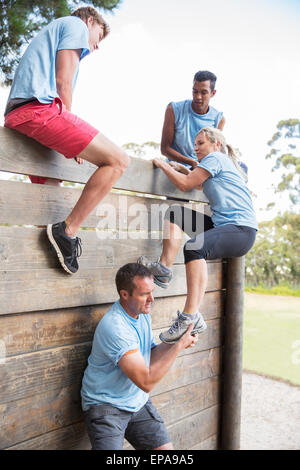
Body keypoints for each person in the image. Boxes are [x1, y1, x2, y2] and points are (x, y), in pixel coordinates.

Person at [4, 6, 130, 274]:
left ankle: (41, 260)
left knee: (51, 195)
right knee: (119, 160)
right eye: (98, 36)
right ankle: (68, 231)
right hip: (37, 110)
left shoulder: (53, 34)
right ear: (89, 20)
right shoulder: (76, 26)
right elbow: (64, 82)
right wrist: (68, 129)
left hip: (19, 113)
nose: (96, 46)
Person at [138, 127, 257, 343]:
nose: (195, 148)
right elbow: (199, 182)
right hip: (225, 225)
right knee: (175, 213)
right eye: (195, 144)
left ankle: (190, 316)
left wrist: (164, 164)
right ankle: (164, 269)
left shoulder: (215, 158)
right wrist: (181, 169)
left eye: (200, 143)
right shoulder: (219, 163)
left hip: (240, 230)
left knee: (194, 247)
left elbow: (186, 185)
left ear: (216, 144)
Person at [81, 263, 198, 450]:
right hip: (106, 405)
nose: (151, 299)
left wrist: (177, 341)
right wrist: (177, 348)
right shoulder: (115, 327)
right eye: (144, 294)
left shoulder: (142, 313)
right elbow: (146, 381)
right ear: (124, 294)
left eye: (152, 292)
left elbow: (149, 354)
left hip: (136, 401)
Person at [161, 70, 225, 170]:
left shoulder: (218, 119)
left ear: (213, 93)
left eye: (204, 93)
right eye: (195, 91)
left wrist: (200, 167)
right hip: (175, 168)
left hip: (201, 170)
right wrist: (191, 162)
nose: (198, 97)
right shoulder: (173, 110)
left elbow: (215, 152)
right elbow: (165, 149)